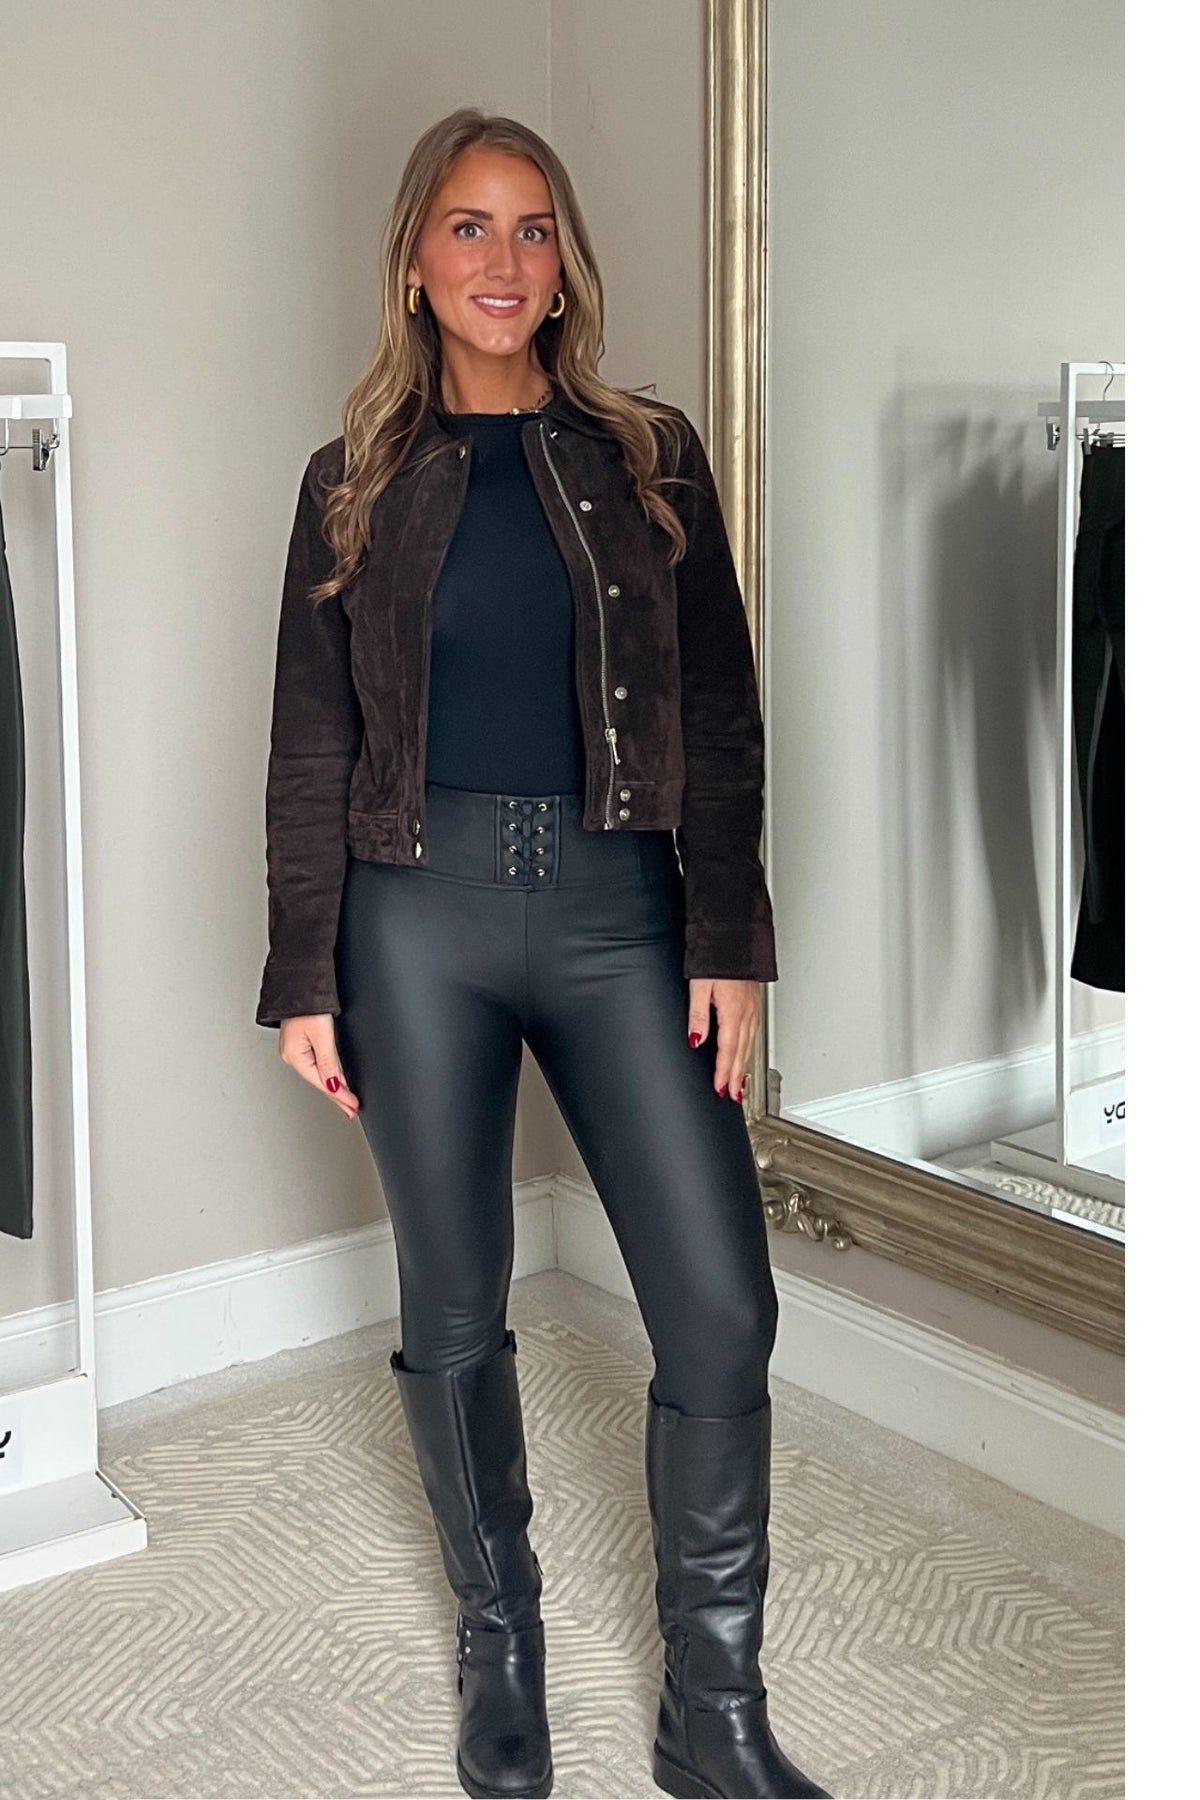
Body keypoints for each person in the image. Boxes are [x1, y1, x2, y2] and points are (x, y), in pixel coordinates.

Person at [256, 107, 831, 1800]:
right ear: (415, 264)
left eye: (530, 229)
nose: (502, 261)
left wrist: (728, 936)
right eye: (468, 228)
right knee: (453, 1300)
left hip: (619, 914)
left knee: (720, 1306)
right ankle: (497, 1643)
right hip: (412, 919)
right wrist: (304, 973)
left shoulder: (650, 456)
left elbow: (720, 717)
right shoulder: (349, 481)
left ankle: (712, 1715)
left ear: (563, 264)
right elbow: (309, 742)